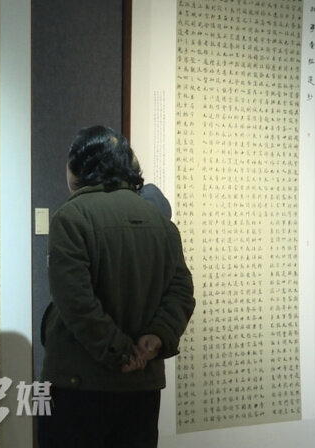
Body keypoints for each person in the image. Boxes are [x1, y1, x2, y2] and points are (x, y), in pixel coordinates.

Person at [39, 125, 195, 448]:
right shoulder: (162, 225)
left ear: (79, 167)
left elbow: (75, 301)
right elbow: (181, 292)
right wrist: (156, 338)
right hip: (142, 384)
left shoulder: (71, 217)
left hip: (80, 383)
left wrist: (121, 351)